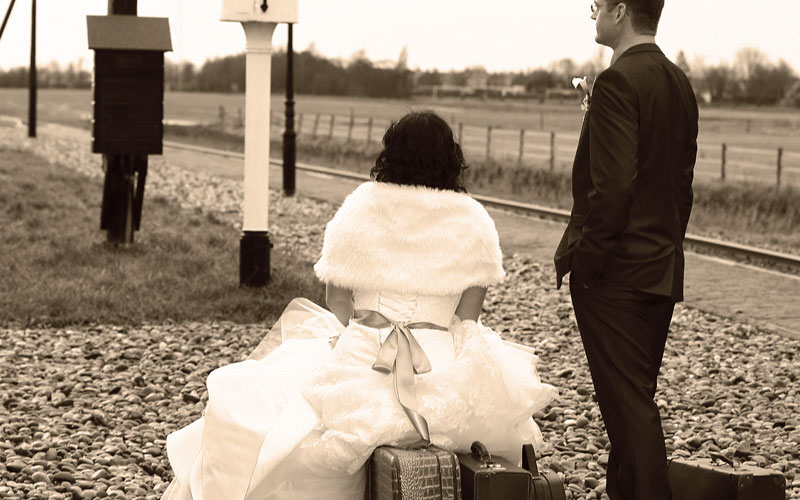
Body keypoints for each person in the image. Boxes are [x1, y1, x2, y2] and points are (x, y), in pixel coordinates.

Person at [161, 110, 558, 499]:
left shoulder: (358, 209)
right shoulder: (474, 222)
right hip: (440, 362)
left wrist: (357, 332)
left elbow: (336, 300)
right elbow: (467, 317)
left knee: (274, 419)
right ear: (450, 159)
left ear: (391, 154)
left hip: (365, 351)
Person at [553, 1, 698, 499]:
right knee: (630, 401)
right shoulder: (679, 82)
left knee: (630, 408)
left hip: (615, 274)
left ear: (619, 12)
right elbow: (682, 185)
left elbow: (611, 187)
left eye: (595, 6)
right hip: (659, 268)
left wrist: (589, 261)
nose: (592, 15)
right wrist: (666, 246)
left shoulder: (617, 82)